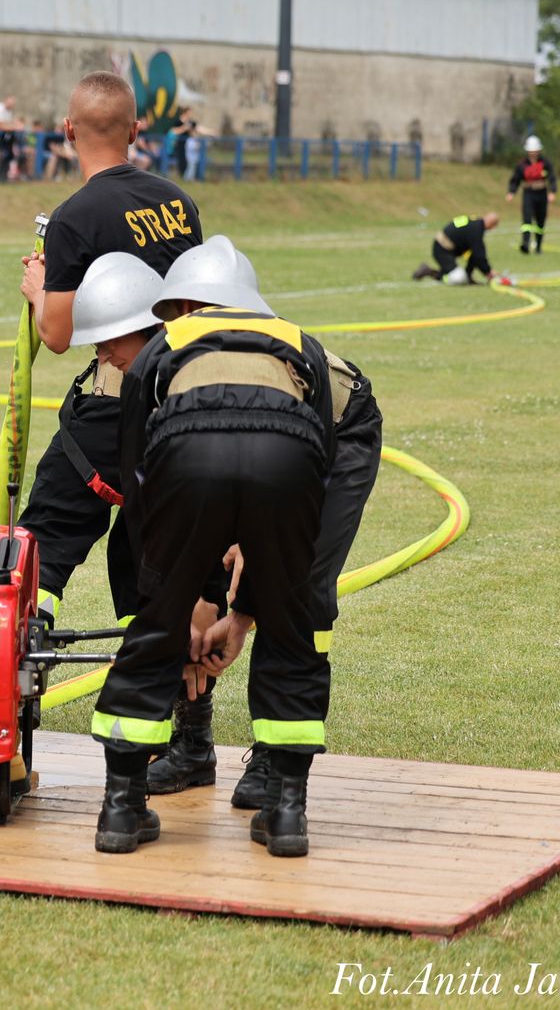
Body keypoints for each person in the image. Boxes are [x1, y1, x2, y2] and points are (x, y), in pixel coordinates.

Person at [91, 239, 335, 859]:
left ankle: (121, 810)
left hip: (186, 452)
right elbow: (322, 448)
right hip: (291, 457)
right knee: (291, 627)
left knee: (154, 626)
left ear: (180, 304)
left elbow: (136, 465)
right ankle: (286, 814)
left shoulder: (164, 343)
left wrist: (170, 587)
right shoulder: (301, 340)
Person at [143, 243, 383, 808]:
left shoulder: (285, 357)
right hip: (240, 444)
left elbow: (285, 517)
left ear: (192, 305)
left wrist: (244, 611)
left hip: (333, 438)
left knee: (297, 589)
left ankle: (279, 762)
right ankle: (192, 741)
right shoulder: (163, 368)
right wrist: (197, 597)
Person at [17, 71, 203, 626]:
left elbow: (54, 335)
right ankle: (179, 692)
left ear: (67, 130)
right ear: (137, 130)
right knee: (151, 551)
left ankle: (16, 675)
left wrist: (35, 291)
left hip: (114, 402)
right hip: (184, 400)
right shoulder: (179, 202)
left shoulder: (75, 216)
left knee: (45, 538)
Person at [412, 212, 501, 283]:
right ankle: (429, 272)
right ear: (492, 224)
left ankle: (468, 276)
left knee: (472, 255)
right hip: (442, 250)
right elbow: (479, 255)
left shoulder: (474, 223)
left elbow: (476, 254)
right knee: (459, 278)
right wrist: (488, 272)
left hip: (445, 248)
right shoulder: (476, 229)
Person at [507, 135, 557, 254]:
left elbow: (552, 178)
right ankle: (525, 244)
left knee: (540, 220)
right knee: (527, 219)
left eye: (534, 151)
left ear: (538, 151)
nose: (533, 153)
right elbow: (516, 179)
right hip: (528, 193)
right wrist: (511, 192)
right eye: (531, 151)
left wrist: (552, 192)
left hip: (542, 193)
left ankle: (538, 247)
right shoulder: (522, 164)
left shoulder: (545, 163)